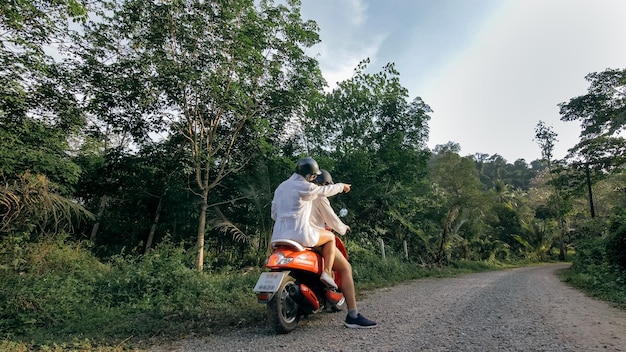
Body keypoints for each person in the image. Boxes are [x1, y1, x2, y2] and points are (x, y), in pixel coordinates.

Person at [310, 169, 378, 329]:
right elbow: (332, 219)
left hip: (292, 236)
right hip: (313, 237)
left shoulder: (299, 193)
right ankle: (353, 314)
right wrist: (343, 227)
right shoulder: (319, 196)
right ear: (325, 184)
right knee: (346, 268)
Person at [270, 157, 348, 290]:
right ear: (309, 175)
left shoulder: (281, 187)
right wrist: (341, 186)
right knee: (330, 237)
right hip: (300, 235)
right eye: (313, 176)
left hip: (278, 236)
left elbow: (274, 215)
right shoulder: (305, 186)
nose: (313, 179)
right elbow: (325, 191)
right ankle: (327, 272)